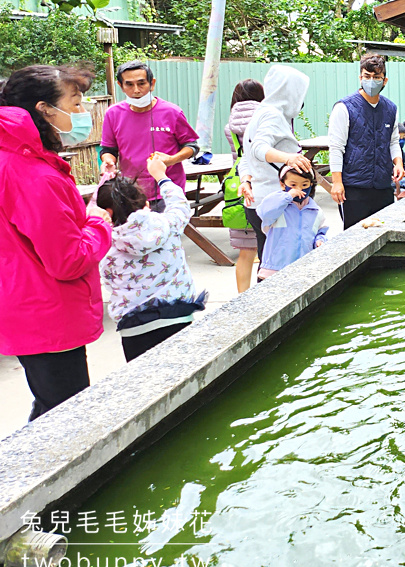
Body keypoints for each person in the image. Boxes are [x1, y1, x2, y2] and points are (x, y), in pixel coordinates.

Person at [0, 65, 113, 420]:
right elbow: (68, 260)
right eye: (75, 103)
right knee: (66, 417)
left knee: (52, 404)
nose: (82, 113)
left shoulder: (14, 159)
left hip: (22, 303)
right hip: (46, 312)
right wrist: (99, 222)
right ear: (45, 110)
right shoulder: (32, 174)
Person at [96, 155, 206, 362]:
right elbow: (180, 205)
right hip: (178, 316)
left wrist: (103, 189)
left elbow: (107, 279)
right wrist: (161, 176)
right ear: (146, 203)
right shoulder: (167, 224)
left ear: (107, 213)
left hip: (134, 328)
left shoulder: (104, 244)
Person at [237, 65, 313, 266]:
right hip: (275, 203)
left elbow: (245, 157)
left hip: (258, 202)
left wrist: (246, 179)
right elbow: (258, 149)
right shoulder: (272, 115)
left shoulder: (261, 112)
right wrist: (289, 158)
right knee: (279, 265)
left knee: (268, 261)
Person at [100, 61, 200, 205]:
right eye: (129, 84)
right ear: (121, 86)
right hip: (130, 194)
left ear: (152, 84)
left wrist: (172, 159)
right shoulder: (112, 114)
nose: (136, 90)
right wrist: (108, 161)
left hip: (168, 192)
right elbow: (108, 149)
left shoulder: (172, 112)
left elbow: (192, 146)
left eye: (141, 83)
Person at [329, 54, 405, 228]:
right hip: (354, 186)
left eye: (376, 77)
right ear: (360, 77)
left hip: (382, 186)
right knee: (354, 236)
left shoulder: (390, 108)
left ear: (384, 80)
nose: (371, 81)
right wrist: (337, 182)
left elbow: (393, 141)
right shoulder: (344, 108)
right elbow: (336, 148)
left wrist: (398, 163)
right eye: (367, 76)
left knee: (383, 232)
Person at [224, 79, 264, 292]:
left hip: (238, 189)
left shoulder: (229, 126)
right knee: (267, 248)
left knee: (245, 252)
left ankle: (242, 298)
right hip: (262, 185)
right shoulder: (265, 121)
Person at [256, 166, 328, 280]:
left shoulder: (316, 211)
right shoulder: (277, 205)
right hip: (275, 269)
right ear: (283, 184)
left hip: (303, 270)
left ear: (311, 185)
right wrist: (288, 196)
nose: (299, 189)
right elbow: (265, 213)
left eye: (304, 185)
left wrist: (320, 240)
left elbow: (321, 232)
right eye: (293, 185)